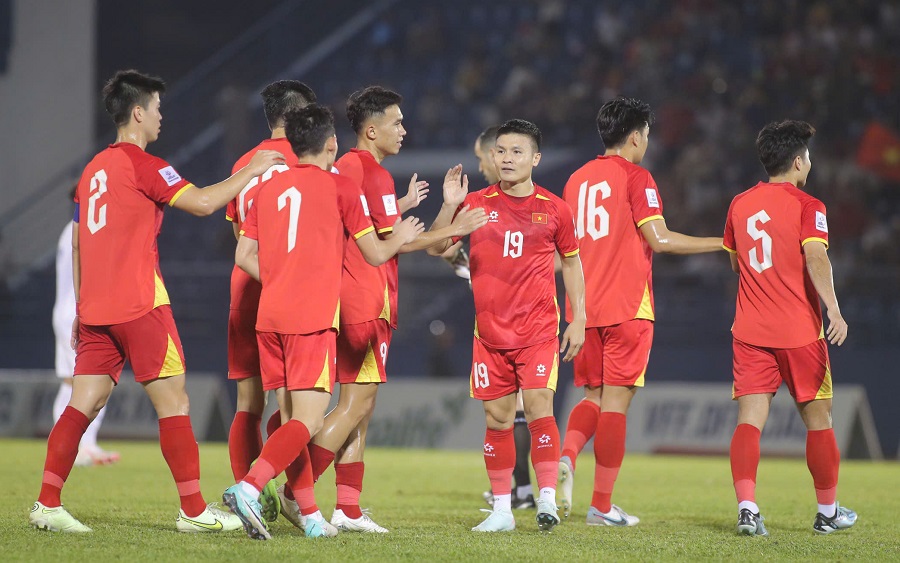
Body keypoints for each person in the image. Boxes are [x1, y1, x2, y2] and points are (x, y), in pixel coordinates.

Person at [29, 69, 285, 534]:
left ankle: (47, 503)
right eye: (158, 109)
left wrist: (83, 306)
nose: (163, 118)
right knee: (175, 404)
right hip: (142, 304)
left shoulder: (92, 171)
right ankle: (193, 511)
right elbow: (205, 204)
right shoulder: (146, 166)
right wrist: (251, 171)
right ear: (138, 112)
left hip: (97, 309)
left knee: (82, 403)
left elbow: (79, 243)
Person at [222, 104, 426, 540]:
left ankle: (312, 514)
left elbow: (243, 255)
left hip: (269, 316)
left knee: (288, 415)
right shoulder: (340, 189)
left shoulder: (268, 191)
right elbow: (374, 254)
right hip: (311, 318)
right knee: (308, 421)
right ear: (331, 143)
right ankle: (249, 487)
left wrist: (281, 280)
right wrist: (402, 237)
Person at [306, 86, 487, 534]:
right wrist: (459, 220)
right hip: (366, 299)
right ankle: (294, 492)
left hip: (352, 297)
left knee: (360, 409)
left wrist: (433, 207)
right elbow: (396, 245)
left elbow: (374, 230)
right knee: (354, 405)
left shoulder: (350, 168)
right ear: (372, 129)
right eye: (396, 122)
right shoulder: (369, 172)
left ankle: (347, 508)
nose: (404, 130)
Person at [557, 97, 723, 526]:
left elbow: (566, 249)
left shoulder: (576, 180)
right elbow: (660, 239)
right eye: (647, 134)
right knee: (615, 405)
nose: (647, 141)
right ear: (635, 135)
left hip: (583, 312)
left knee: (592, 397)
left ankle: (567, 456)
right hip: (628, 306)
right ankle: (602, 505)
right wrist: (721, 245)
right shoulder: (637, 177)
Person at [429, 119, 586, 533]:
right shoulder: (476, 203)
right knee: (497, 420)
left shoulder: (555, 208)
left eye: (517, 152)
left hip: (537, 331)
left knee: (538, 411)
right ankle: (502, 510)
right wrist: (448, 205)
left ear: (535, 158)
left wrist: (579, 317)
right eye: (501, 151)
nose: (507, 159)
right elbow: (436, 247)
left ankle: (546, 499)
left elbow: (572, 262)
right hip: (490, 334)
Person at [723, 120, 856, 536]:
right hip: (799, 331)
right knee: (819, 421)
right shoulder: (808, 206)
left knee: (749, 420)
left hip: (749, 330)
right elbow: (816, 258)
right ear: (798, 162)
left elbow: (735, 261)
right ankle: (828, 513)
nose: (810, 164)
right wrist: (833, 308)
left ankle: (747, 508)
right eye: (809, 158)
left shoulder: (739, 204)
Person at [223, 79, 317, 525]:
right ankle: (298, 501)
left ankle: (251, 499)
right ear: (301, 117)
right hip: (293, 294)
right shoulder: (310, 161)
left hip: (247, 286)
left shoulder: (246, 162)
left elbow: (239, 233)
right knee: (298, 409)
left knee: (248, 403)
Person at [468, 125, 536, 510]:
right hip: (495, 318)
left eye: (484, 157)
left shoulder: (535, 205)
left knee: (523, 408)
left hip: (529, 318)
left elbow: (557, 257)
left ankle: (525, 489)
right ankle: (517, 488)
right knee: (505, 411)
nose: (484, 166)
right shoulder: (482, 205)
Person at [52, 189, 119, 467]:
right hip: (76, 312)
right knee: (83, 383)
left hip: (68, 310)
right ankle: (75, 448)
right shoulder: (80, 230)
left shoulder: (71, 229)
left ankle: (83, 446)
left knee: (76, 383)